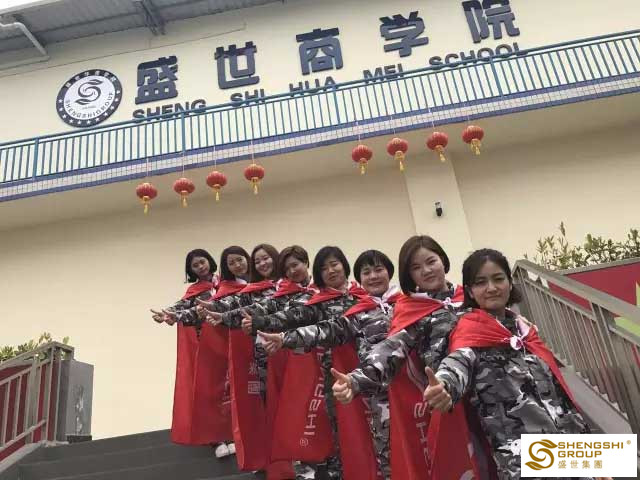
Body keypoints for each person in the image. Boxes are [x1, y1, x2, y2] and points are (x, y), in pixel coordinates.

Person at [423, 249, 611, 480]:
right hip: (526, 462)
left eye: (498, 278)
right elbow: (456, 365)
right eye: (481, 282)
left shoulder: (526, 333)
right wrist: (444, 386)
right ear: (470, 291)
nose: (491, 288)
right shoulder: (469, 335)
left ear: (510, 283)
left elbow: (560, 398)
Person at [331, 235, 477, 480]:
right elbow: (389, 350)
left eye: (431, 261)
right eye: (416, 267)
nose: (426, 271)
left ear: (443, 260)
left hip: (498, 402)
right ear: (409, 276)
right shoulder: (413, 312)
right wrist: (355, 380)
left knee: (534, 461)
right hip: (449, 402)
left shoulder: (473, 298)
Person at [260, 250, 400, 480]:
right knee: (373, 445)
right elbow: (324, 329)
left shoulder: (404, 304)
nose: (373, 276)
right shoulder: (357, 312)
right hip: (364, 387)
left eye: (378, 270)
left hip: (409, 389)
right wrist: (284, 337)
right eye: (367, 272)